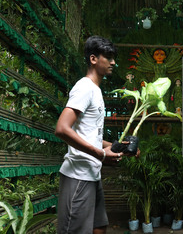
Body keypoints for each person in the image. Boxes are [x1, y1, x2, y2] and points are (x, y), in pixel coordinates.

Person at [55, 36, 134, 234]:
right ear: (93, 59)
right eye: (108, 57)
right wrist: (100, 154)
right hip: (78, 175)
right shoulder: (84, 88)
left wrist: (117, 145)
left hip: (92, 174)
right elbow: (62, 128)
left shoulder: (96, 90)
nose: (113, 62)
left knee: (99, 227)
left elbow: (91, 135)